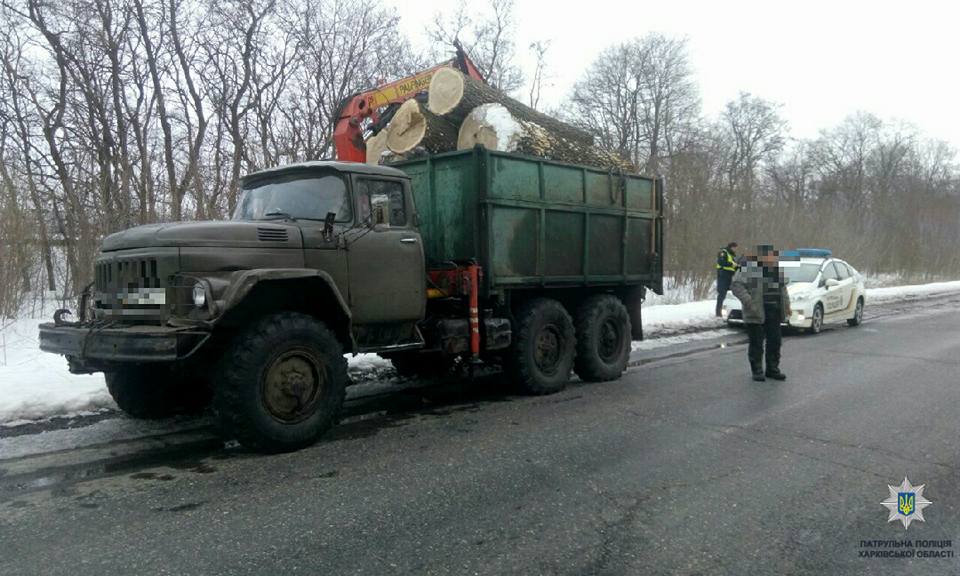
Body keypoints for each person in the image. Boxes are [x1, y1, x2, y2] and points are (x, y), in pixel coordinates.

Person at [730, 245, 791, 381]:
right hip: (756, 312)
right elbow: (736, 285)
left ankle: (772, 369)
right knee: (757, 343)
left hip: (774, 311)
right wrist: (749, 302)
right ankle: (757, 370)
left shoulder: (776, 271)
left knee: (775, 341)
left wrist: (787, 306)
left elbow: (783, 290)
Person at [715, 242, 739, 317]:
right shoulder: (723, 253)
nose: (735, 250)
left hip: (730, 276)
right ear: (731, 247)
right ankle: (718, 312)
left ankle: (728, 311)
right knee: (722, 294)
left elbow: (734, 266)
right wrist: (731, 264)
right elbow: (721, 262)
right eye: (735, 248)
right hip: (723, 275)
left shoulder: (733, 255)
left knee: (731, 295)